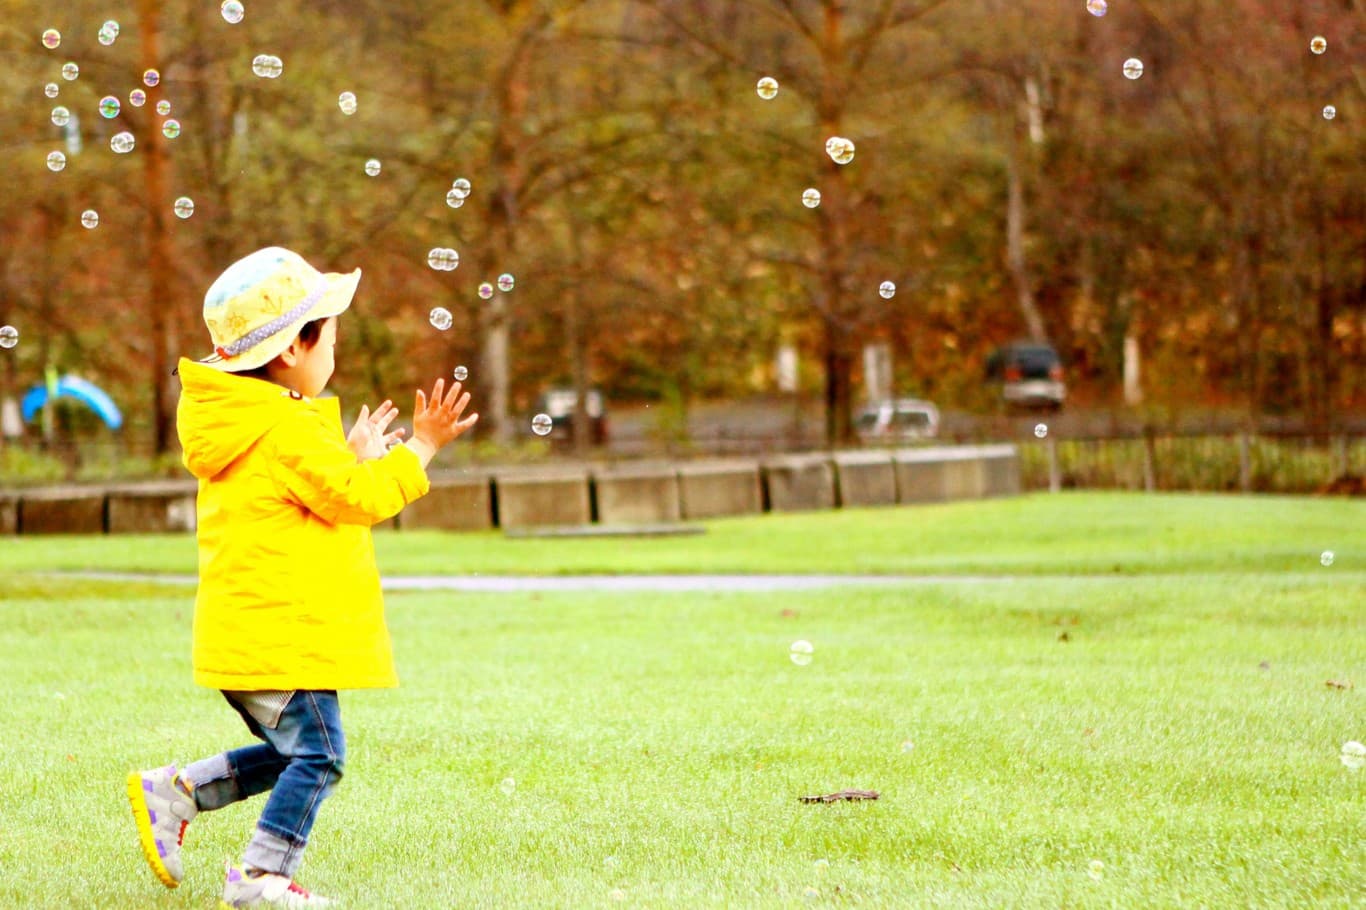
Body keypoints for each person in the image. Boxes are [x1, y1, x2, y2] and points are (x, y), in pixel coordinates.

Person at [125, 247, 478, 908]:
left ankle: (180, 792)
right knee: (320, 756)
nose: (334, 354)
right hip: (283, 636)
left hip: (253, 634)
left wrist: (348, 456)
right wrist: (421, 444)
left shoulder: (246, 423)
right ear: (293, 349)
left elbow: (309, 497)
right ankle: (262, 878)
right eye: (331, 340)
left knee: (299, 754)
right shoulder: (285, 426)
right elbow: (358, 499)